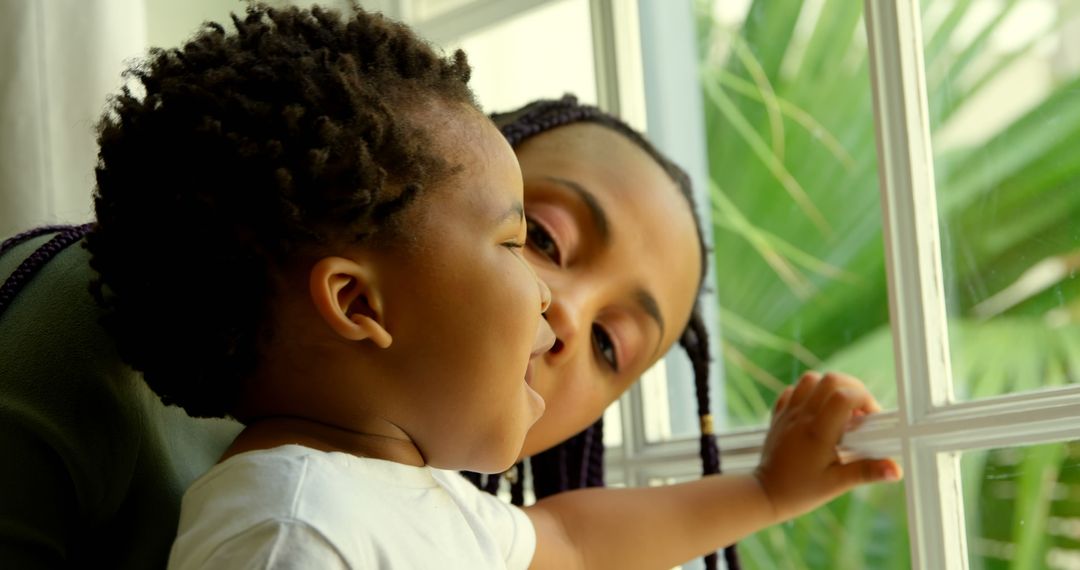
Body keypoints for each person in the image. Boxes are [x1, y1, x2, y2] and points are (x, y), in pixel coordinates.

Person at [0, 6, 901, 570]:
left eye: (611, 347)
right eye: (527, 239)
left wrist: (769, 494)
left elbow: (579, 543)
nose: (561, 307)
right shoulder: (290, 534)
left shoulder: (415, 506)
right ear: (358, 304)